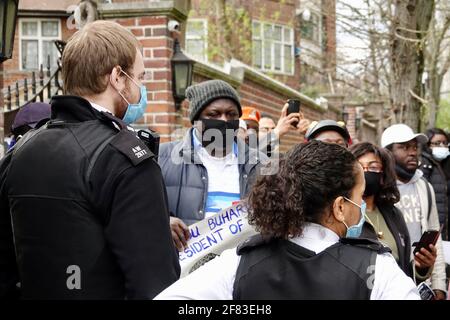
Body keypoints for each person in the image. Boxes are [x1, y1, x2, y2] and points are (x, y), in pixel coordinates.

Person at [0, 21, 179, 299]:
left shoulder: (21, 150)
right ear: (118, 77)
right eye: (140, 78)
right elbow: (154, 285)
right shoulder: (125, 159)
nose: (141, 90)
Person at [155, 140, 420, 300]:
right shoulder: (377, 269)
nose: (361, 205)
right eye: (359, 196)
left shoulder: (240, 263)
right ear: (340, 207)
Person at [158, 80, 268, 251]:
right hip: (185, 270)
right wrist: (162, 223)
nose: (224, 120)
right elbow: (138, 212)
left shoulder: (259, 164)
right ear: (196, 119)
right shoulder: (162, 158)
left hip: (241, 268)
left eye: (231, 114)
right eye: (214, 114)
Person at [382, 124, 447, 299]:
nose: (412, 152)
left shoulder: (424, 186)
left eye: (414, 147)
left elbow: (435, 238)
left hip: (421, 280)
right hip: (387, 284)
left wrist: (439, 286)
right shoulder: (379, 189)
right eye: (404, 147)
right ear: (387, 153)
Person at [350, 142, 429, 279]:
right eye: (359, 167)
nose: (365, 172)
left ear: (383, 175)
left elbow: (403, 271)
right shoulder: (342, 214)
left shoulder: (394, 215)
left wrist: (421, 268)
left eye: (373, 167)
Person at [419, 128, 449, 241]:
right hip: (433, 226)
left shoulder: (444, 164)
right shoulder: (424, 165)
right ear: (428, 145)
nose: (442, 146)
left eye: (445, 143)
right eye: (437, 143)